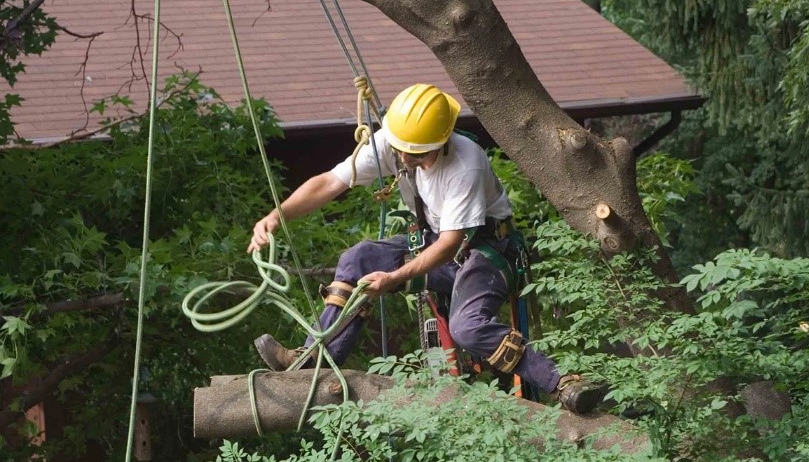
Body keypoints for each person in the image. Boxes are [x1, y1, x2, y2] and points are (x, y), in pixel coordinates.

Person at [248, 84, 603, 413]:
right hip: (438, 242)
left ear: (440, 142)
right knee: (358, 258)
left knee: (467, 327)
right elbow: (330, 182)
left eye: (415, 154)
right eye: (400, 149)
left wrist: (394, 277)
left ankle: (561, 383)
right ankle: (315, 360)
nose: (402, 158)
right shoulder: (397, 140)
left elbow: (451, 245)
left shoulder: (466, 164)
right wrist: (277, 216)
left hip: (487, 250)